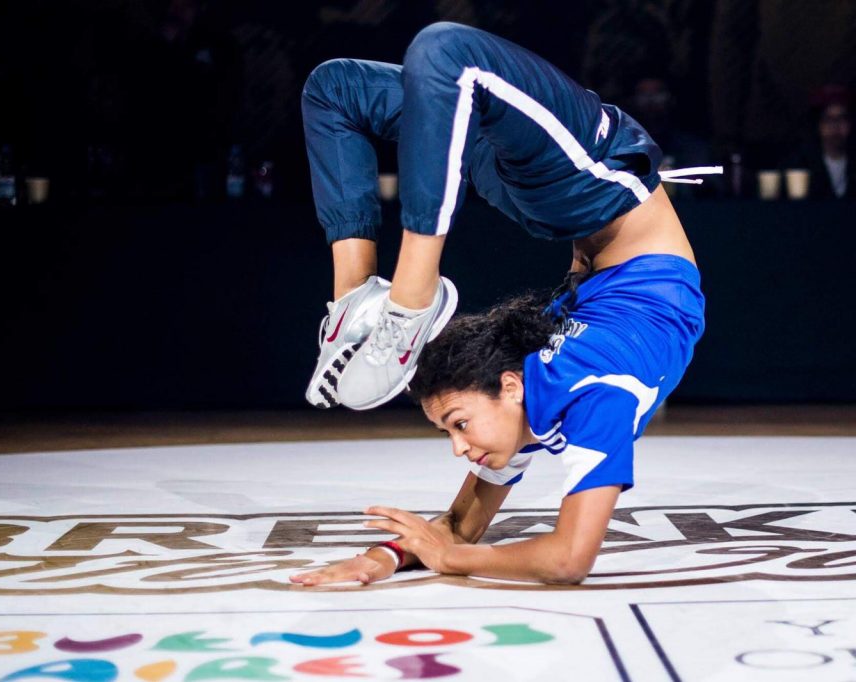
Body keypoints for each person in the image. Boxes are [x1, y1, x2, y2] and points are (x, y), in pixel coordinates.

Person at [292, 22, 713, 585]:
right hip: (602, 179)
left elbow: (461, 533)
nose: (459, 449)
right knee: (445, 52)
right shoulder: (595, 400)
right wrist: (436, 555)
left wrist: (382, 560)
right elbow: (566, 558)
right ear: (510, 387)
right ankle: (387, 303)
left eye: (455, 426)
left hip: (553, 209)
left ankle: (373, 301)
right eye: (455, 429)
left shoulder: (525, 397)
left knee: (335, 88)